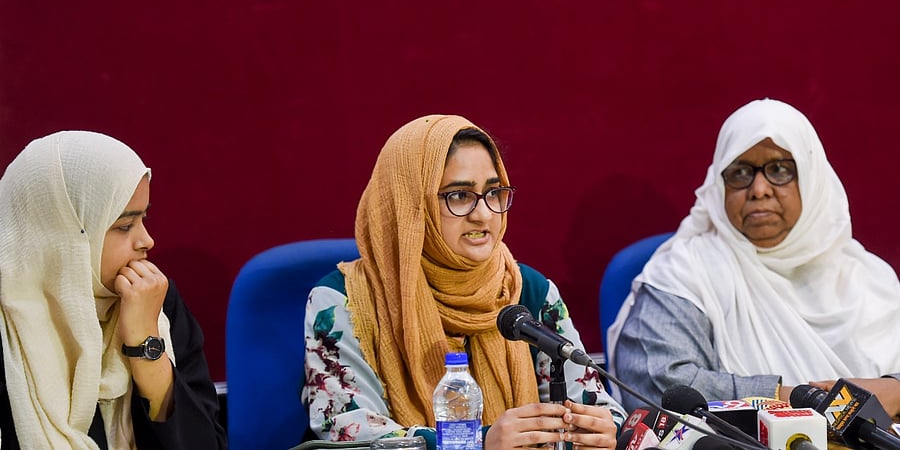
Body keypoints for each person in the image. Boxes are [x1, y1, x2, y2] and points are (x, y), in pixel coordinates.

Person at [301, 115, 625, 449]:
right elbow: (347, 432)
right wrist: (477, 443)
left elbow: (597, 406)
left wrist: (600, 430)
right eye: (459, 195)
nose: (484, 214)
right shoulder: (344, 301)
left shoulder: (527, 291)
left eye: (494, 192)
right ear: (411, 203)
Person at [607, 98, 900, 416]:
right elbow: (658, 385)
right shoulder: (685, 272)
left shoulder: (873, 280)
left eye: (779, 170)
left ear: (812, 177)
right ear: (721, 185)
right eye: (741, 172)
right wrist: (796, 401)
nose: (759, 189)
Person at [0, 131, 226, 448]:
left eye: (144, 219)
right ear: (59, 232)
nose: (147, 241)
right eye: (124, 225)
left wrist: (147, 345)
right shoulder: (7, 325)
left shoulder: (156, 303)